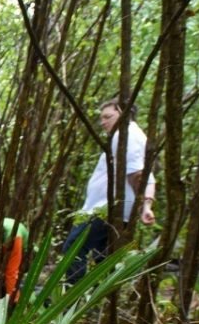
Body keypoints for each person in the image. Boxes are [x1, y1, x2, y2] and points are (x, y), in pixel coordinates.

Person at [62, 98, 157, 283]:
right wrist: (146, 206)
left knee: (74, 247)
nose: (103, 122)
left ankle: (68, 301)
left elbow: (137, 175)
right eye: (101, 118)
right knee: (103, 260)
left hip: (106, 209)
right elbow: (148, 177)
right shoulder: (133, 136)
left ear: (123, 113)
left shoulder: (126, 134)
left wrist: (144, 206)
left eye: (108, 117)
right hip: (114, 210)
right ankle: (96, 305)